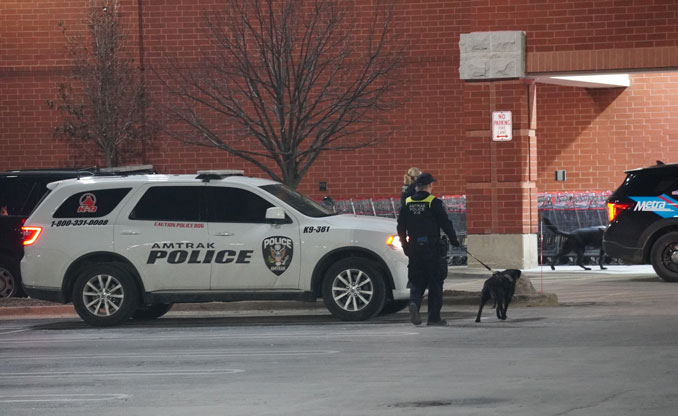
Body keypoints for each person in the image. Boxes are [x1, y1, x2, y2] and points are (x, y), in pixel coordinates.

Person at [397, 172, 460, 326]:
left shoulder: (407, 202)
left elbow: (401, 227)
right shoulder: (434, 203)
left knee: (417, 281)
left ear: (417, 186)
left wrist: (405, 245)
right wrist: (454, 240)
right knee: (435, 283)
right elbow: (446, 223)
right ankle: (434, 318)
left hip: (414, 248)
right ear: (429, 186)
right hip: (432, 249)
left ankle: (414, 303)